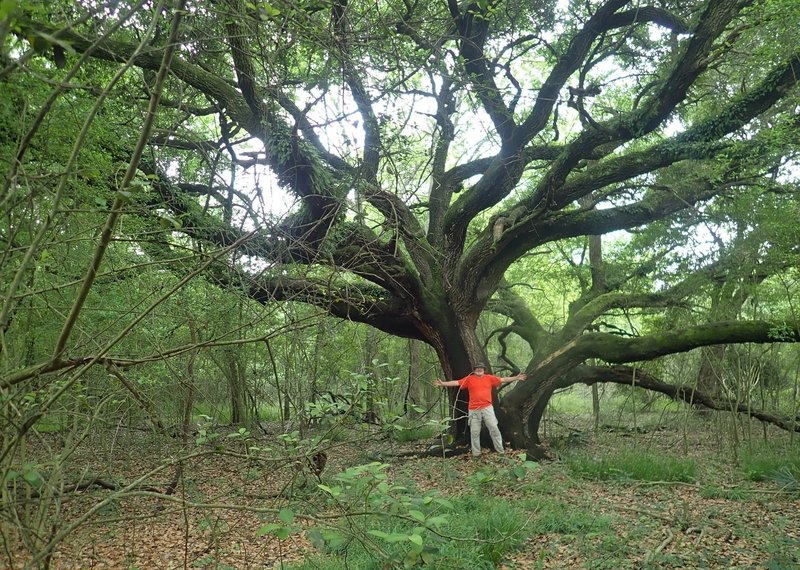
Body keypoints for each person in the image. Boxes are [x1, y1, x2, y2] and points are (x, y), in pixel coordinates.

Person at [434, 363, 526, 457]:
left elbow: (503, 379)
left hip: (487, 408)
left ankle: (501, 452)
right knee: (474, 432)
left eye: (481, 368)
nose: (479, 369)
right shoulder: (469, 379)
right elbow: (457, 382)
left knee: (494, 428)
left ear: (484, 369)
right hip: (473, 409)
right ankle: (476, 454)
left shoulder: (489, 378)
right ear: (474, 370)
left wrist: (516, 378)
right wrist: (442, 383)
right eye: (477, 368)